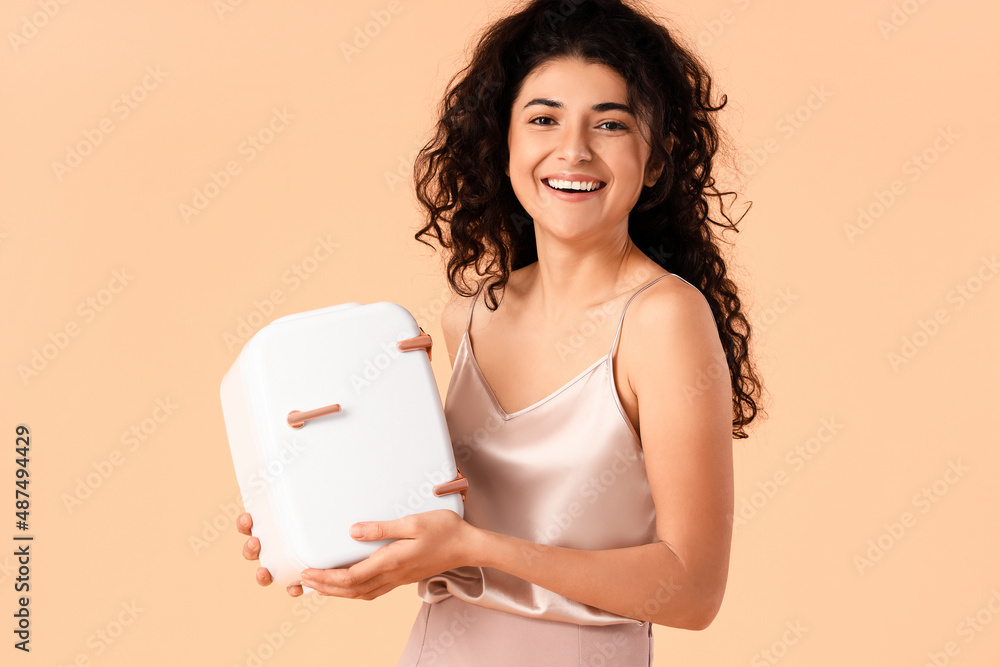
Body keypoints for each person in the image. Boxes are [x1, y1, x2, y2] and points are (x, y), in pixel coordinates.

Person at [237, 0, 765, 664]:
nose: (573, 149)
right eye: (543, 118)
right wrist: (313, 527)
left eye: (609, 123)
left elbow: (692, 590)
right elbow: (443, 539)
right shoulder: (469, 313)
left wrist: (475, 549)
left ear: (655, 159)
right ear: (505, 144)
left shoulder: (664, 319)